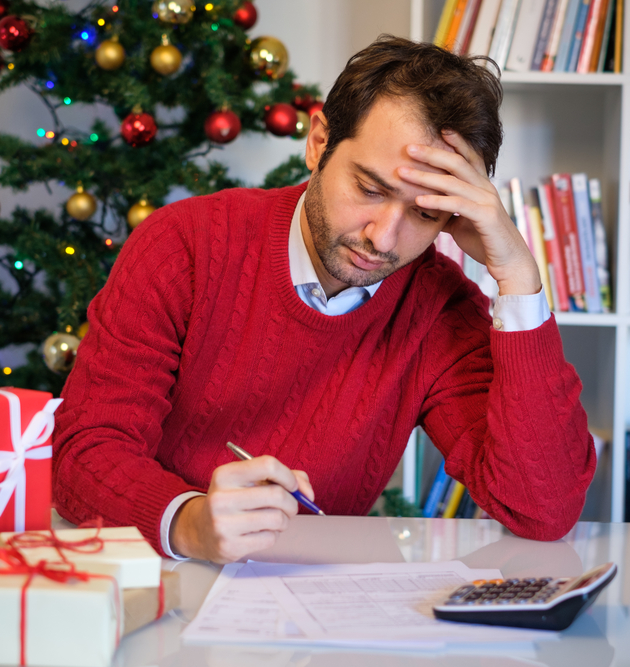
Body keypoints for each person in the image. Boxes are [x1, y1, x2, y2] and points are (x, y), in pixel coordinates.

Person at [52, 36, 595, 563]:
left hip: (309, 606)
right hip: (158, 577)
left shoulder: (438, 309)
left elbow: (543, 508)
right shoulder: (184, 246)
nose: (383, 237)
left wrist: (518, 277)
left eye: (426, 213)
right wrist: (191, 522)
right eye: (371, 189)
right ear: (318, 143)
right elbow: (86, 453)